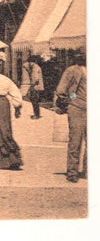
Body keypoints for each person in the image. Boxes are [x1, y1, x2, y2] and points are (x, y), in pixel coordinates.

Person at [55, 52, 87, 183]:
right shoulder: (72, 70)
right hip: (77, 109)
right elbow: (62, 91)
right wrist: (73, 100)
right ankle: (72, 172)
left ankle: (88, 171)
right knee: (75, 141)